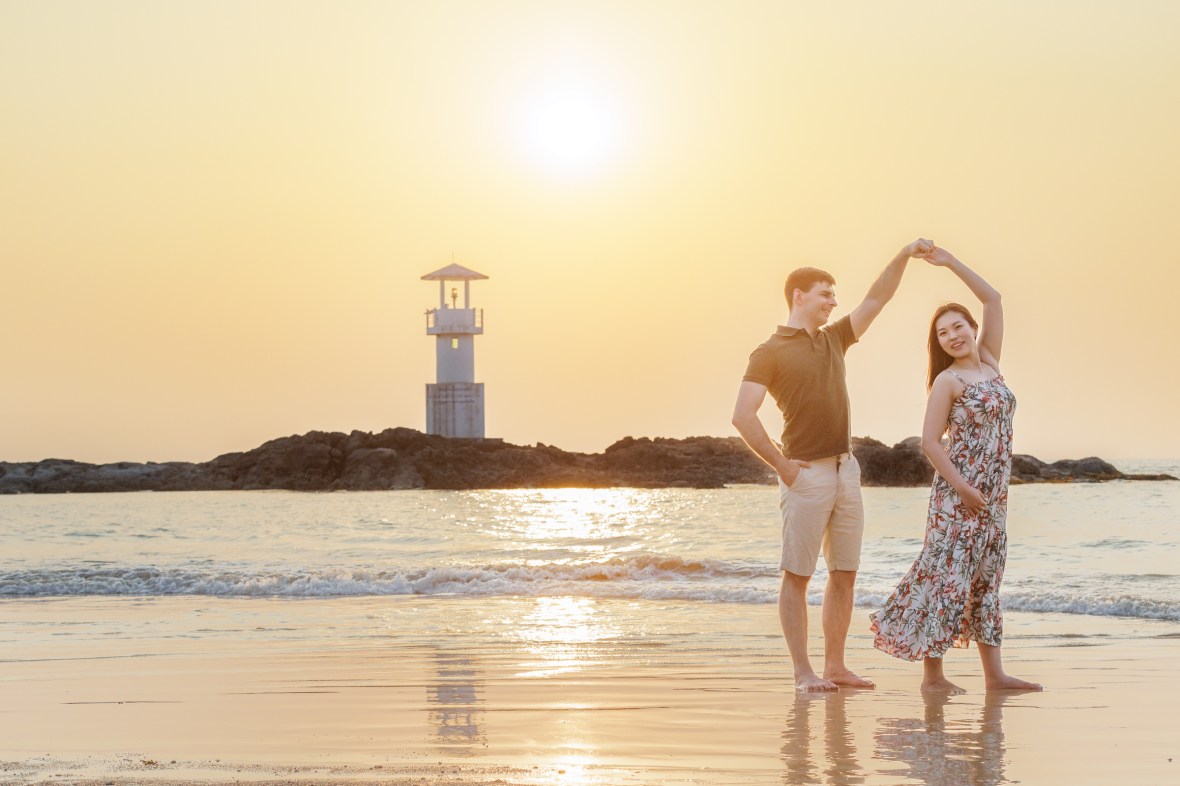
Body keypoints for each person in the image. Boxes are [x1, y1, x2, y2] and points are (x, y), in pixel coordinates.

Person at [732, 238, 934, 692]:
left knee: (845, 572)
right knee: (798, 574)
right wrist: (783, 467)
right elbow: (742, 415)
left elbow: (877, 299)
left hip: (847, 470)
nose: (834, 302)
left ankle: (836, 667)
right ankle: (803, 672)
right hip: (806, 476)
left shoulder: (835, 338)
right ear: (798, 296)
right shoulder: (769, 351)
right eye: (826, 293)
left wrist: (902, 256)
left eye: (834, 295)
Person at [869, 246, 1042, 693]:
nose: (953, 336)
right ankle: (933, 677)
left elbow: (995, 299)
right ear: (939, 344)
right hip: (957, 497)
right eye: (943, 333)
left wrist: (950, 263)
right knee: (945, 579)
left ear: (970, 327)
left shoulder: (989, 363)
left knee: (986, 580)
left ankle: (995, 675)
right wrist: (963, 489)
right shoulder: (948, 381)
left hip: (995, 497)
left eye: (958, 326)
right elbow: (930, 443)